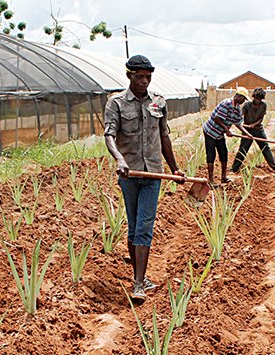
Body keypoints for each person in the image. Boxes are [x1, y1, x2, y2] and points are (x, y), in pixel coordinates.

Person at [104, 55, 185, 301]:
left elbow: (164, 136)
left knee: (144, 226)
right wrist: (120, 159)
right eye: (139, 77)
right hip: (129, 174)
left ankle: (138, 284)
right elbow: (109, 135)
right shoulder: (115, 103)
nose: (144, 81)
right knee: (133, 224)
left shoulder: (159, 103)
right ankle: (140, 277)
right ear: (129, 76)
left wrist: (174, 169)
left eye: (148, 77)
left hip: (153, 173)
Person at [203, 87, 254, 187]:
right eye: (243, 99)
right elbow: (217, 118)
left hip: (220, 134)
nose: (244, 101)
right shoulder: (226, 103)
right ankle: (210, 180)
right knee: (211, 155)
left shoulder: (237, 109)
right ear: (239, 96)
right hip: (210, 131)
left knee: (224, 153)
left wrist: (247, 134)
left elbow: (238, 123)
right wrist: (227, 130)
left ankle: (223, 177)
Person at [231, 88, 275, 173]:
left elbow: (261, 119)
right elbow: (240, 116)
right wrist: (242, 124)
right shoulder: (247, 105)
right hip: (247, 131)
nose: (258, 101)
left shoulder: (263, 105)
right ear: (254, 97)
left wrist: (254, 125)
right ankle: (234, 168)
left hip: (258, 130)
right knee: (243, 149)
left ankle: (274, 168)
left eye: (259, 99)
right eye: (256, 98)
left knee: (265, 148)